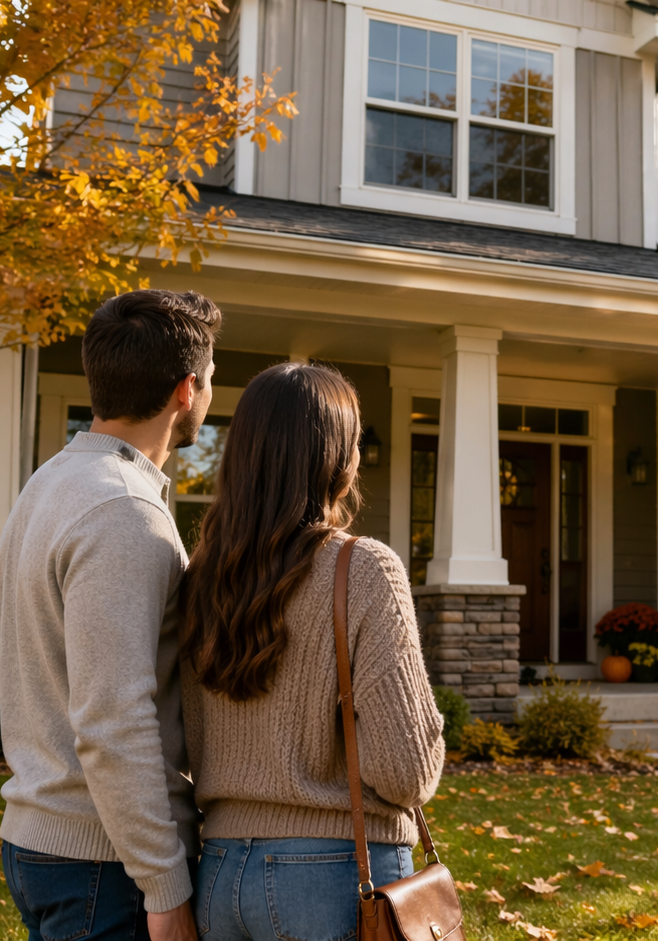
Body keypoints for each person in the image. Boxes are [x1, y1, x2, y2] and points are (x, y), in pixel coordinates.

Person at [178, 362, 446, 941]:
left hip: (220, 877)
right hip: (334, 875)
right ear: (339, 461)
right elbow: (405, 773)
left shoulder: (200, 578)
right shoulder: (364, 568)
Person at [0, 289, 222, 941]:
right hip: (105, 864)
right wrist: (165, 886)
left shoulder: (48, 485)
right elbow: (113, 717)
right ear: (186, 390)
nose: (207, 394)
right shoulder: (123, 512)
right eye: (209, 381)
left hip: (52, 843)